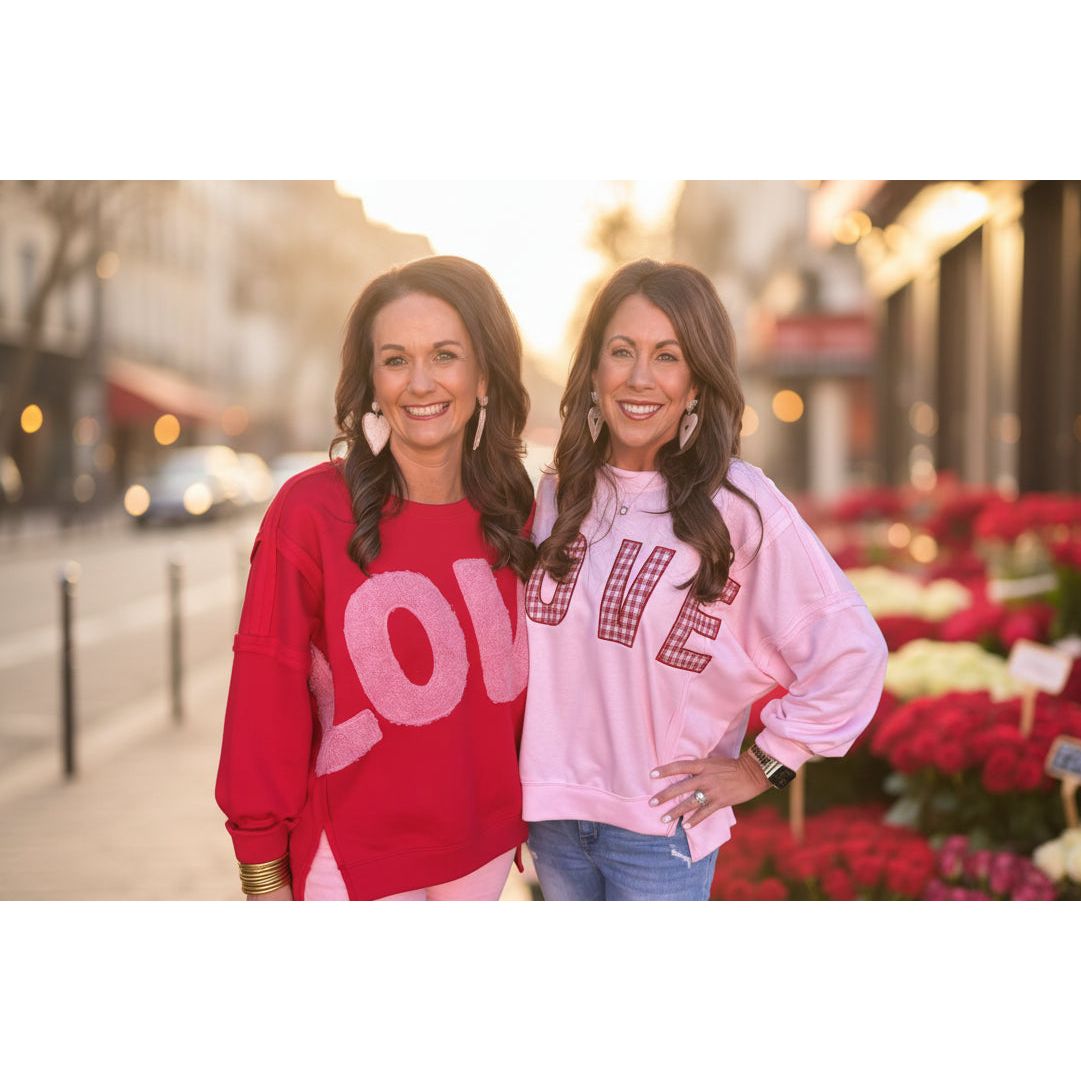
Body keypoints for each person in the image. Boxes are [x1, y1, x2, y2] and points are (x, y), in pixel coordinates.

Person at [520, 259, 889, 900]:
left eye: (668, 356)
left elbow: (852, 652)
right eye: (621, 351)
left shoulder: (738, 504)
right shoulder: (559, 493)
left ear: (696, 383)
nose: (640, 377)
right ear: (594, 371)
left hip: (659, 834)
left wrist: (762, 766)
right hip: (552, 821)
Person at [215, 255, 535, 900]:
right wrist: (261, 868)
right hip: (352, 857)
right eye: (395, 360)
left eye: (445, 355)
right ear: (371, 382)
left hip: (483, 848)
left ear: (486, 378)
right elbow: (265, 686)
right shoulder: (312, 511)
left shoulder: (517, 514)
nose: (420, 383)